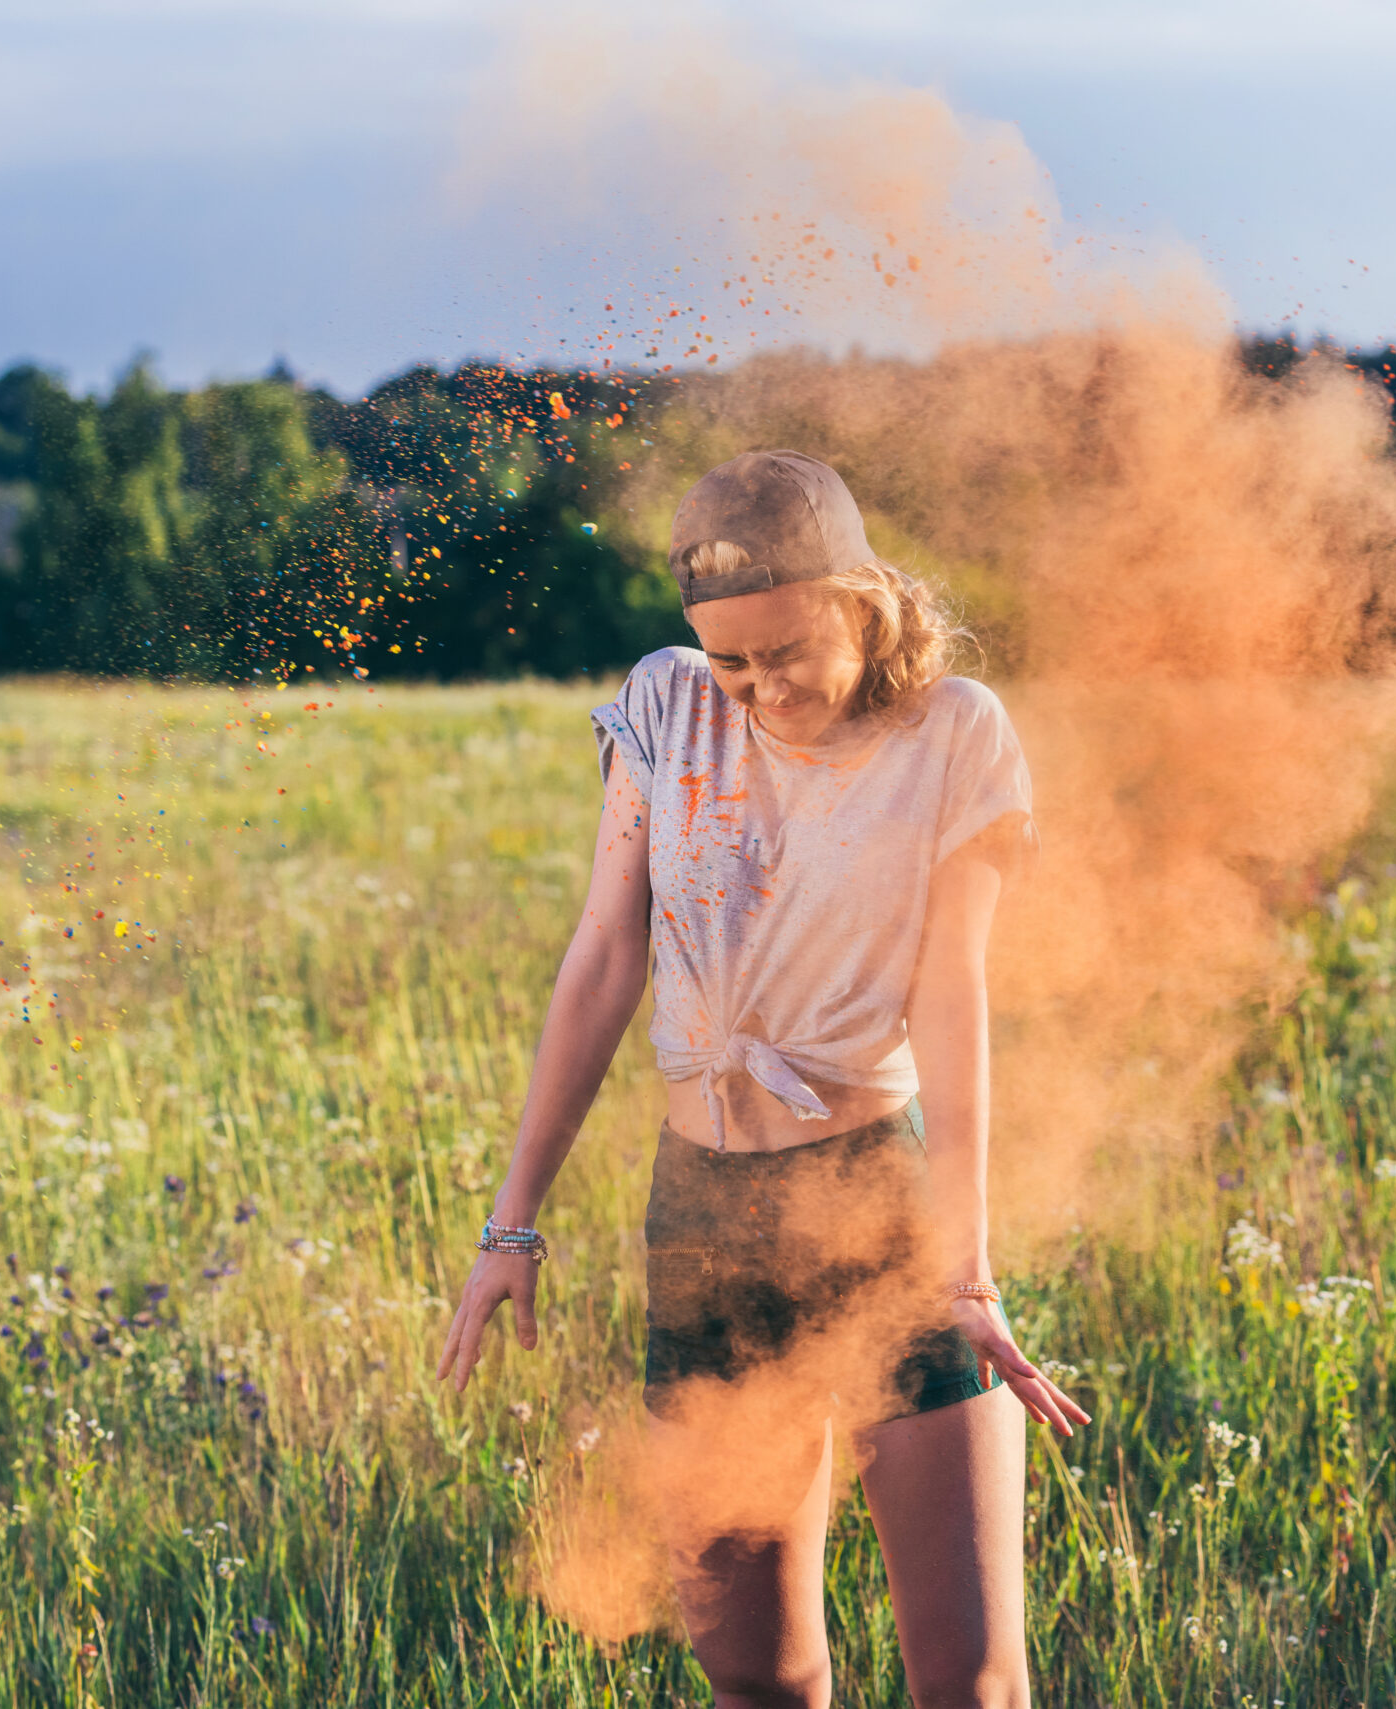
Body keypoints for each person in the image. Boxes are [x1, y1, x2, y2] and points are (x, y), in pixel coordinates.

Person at [437, 448, 1088, 1708]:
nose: (757, 689)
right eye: (730, 661)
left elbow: (952, 995)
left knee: (968, 1678)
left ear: (860, 601)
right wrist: (511, 1221)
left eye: (784, 652)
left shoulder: (954, 731)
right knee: (753, 1671)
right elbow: (604, 953)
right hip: (703, 1213)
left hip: (878, 1206)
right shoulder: (667, 707)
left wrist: (963, 1259)